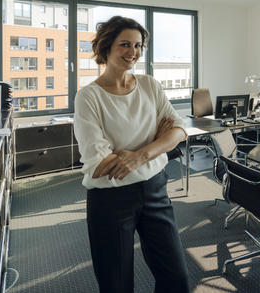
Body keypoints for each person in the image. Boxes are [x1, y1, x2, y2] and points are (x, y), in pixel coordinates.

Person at [73, 16, 190, 293]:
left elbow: (179, 130)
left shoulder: (150, 85)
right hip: (110, 197)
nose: (133, 52)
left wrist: (138, 155)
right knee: (117, 284)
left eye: (138, 46)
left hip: (155, 189)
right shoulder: (89, 97)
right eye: (125, 44)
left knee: (176, 278)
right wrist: (159, 139)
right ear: (107, 47)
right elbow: (100, 164)